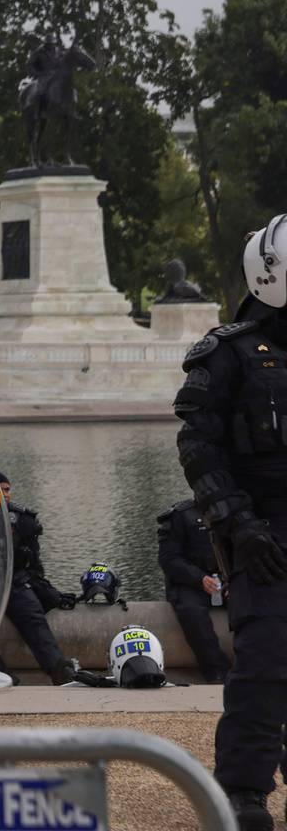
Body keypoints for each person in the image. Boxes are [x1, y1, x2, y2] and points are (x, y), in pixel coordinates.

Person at [173, 213, 287, 830]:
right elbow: (198, 447)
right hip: (264, 534)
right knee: (265, 664)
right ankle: (244, 793)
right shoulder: (230, 354)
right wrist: (238, 523)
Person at [0, 473, 81, 684]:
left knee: (33, 617)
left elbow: (34, 566)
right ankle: (2, 676)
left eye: (7, 489)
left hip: (13, 584)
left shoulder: (23, 520)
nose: (4, 494)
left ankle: (59, 670)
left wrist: (38, 587)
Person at [157, 498, 231, 684]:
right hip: (190, 583)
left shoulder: (234, 510)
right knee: (192, 612)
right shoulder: (180, 515)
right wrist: (199, 579)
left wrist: (234, 581)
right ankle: (217, 672)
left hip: (227, 580)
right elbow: (168, 559)